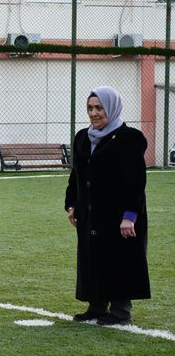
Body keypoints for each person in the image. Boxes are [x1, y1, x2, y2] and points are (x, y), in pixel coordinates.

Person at [65, 86, 150, 326]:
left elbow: (136, 182)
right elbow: (76, 175)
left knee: (119, 258)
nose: (93, 113)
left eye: (99, 108)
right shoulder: (83, 137)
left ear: (111, 108)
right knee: (93, 256)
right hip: (91, 212)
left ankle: (121, 311)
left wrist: (129, 216)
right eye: (90, 108)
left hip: (120, 215)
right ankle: (97, 306)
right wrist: (72, 204)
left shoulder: (129, 138)